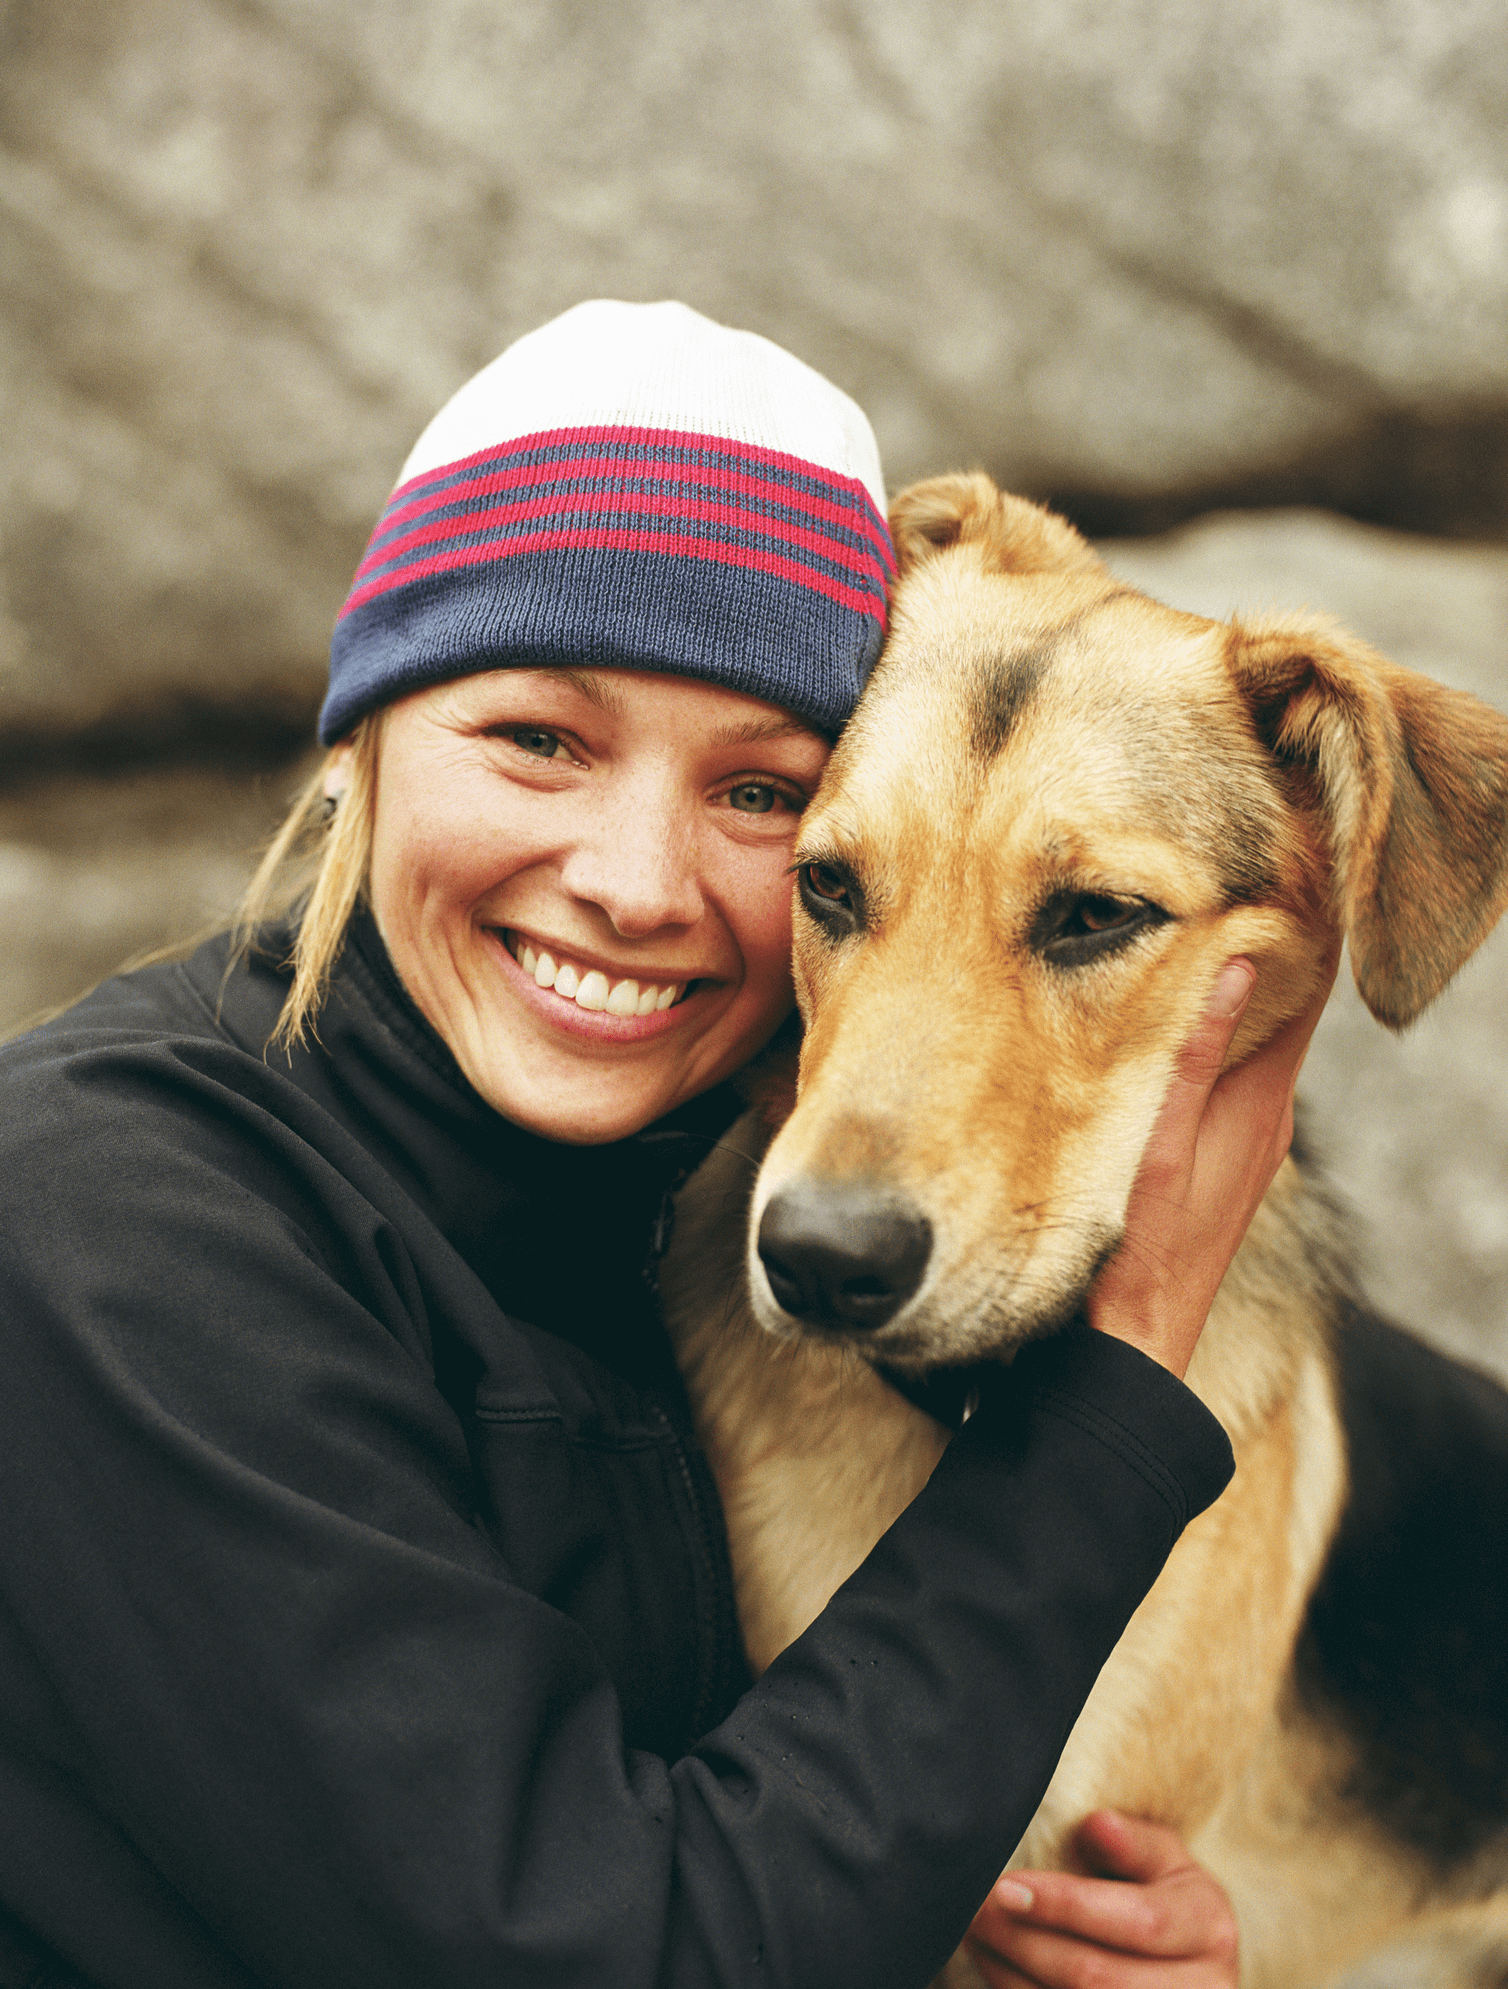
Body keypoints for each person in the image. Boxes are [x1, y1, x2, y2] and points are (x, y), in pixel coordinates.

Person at [0, 301, 1317, 1989]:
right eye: (537, 739)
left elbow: (713, 1823)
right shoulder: (112, 1218)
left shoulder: (671, 1214)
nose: (635, 880)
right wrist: (1120, 1389)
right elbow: (626, 1955)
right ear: (360, 743)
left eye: (765, 796)